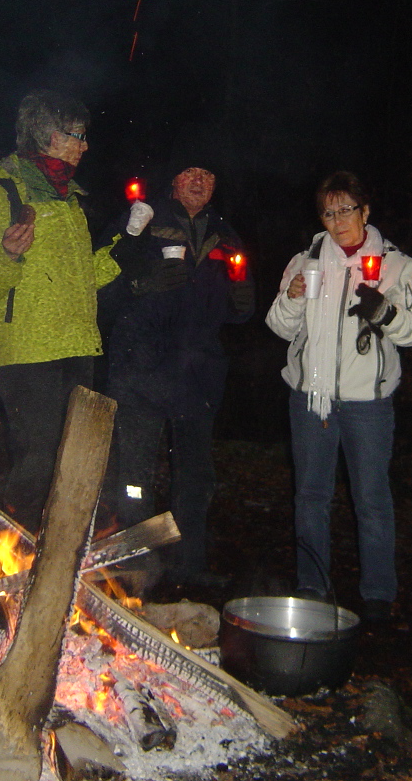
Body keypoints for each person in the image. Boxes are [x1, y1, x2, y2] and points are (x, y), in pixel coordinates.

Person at [265, 171, 412, 623]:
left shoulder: (396, 265)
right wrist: (293, 297)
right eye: (328, 213)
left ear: (365, 211)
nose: (338, 221)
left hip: (367, 403)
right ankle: (312, 585)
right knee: (310, 496)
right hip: (310, 398)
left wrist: (385, 312)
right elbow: (279, 326)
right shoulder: (305, 261)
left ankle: (377, 593)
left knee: (371, 499)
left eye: (346, 210)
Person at [0, 90, 122, 531]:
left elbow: (83, 277)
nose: (85, 146)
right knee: (38, 465)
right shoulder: (5, 196)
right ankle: (22, 552)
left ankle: (68, 555)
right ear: (51, 137)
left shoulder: (70, 201)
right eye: (78, 136)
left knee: (78, 461)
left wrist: (124, 247)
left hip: (77, 346)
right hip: (29, 351)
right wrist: (8, 255)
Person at [100, 160, 254, 586]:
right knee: (135, 474)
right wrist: (141, 283)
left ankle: (188, 567)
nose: (199, 180)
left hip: (198, 372)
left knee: (195, 476)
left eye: (208, 174)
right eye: (190, 173)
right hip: (141, 366)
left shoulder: (225, 235)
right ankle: (134, 565)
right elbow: (100, 286)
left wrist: (241, 299)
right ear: (174, 180)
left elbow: (240, 312)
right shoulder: (143, 220)